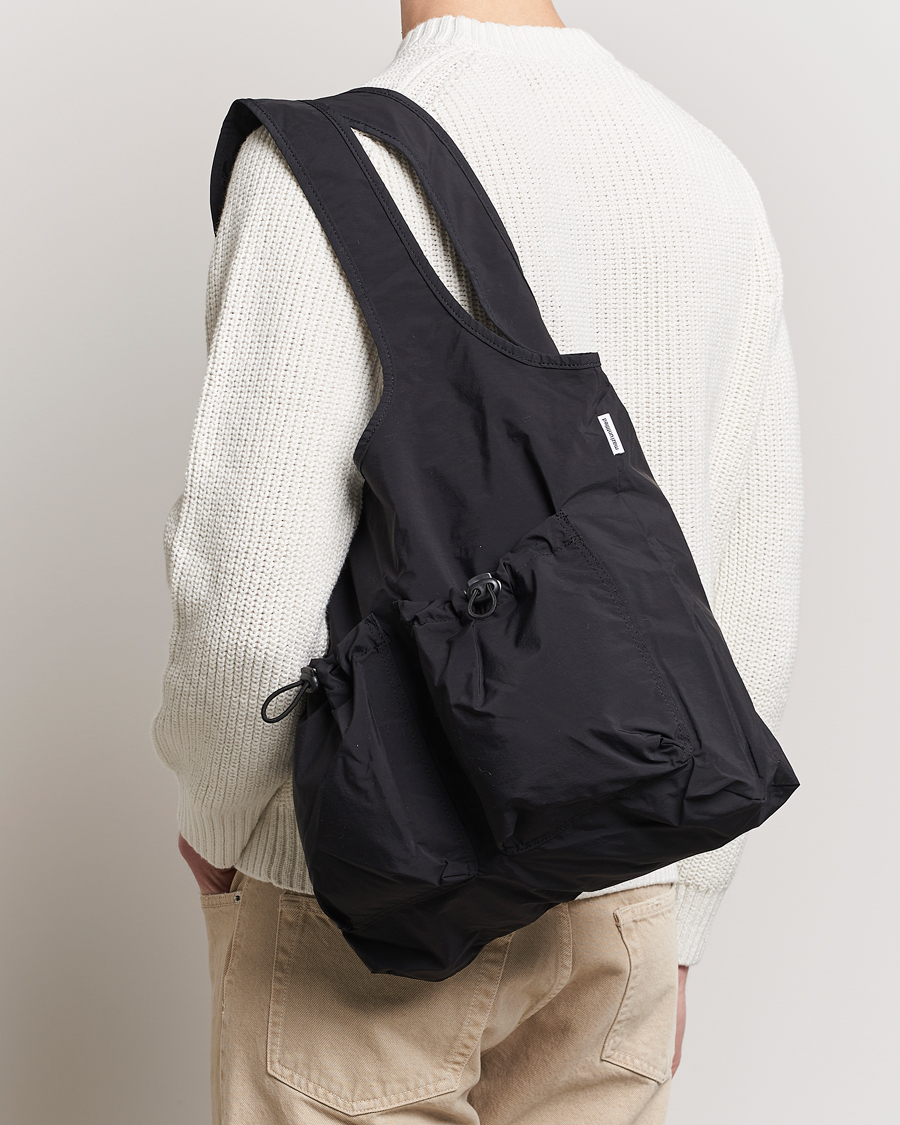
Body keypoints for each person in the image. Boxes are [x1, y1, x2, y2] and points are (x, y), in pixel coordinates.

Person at [154, 2, 802, 1121]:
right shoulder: (707, 174)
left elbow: (248, 607)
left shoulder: (318, 167)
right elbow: (747, 582)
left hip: (362, 891)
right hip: (626, 892)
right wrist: (683, 910)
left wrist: (219, 824)